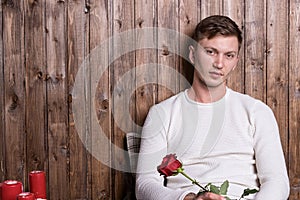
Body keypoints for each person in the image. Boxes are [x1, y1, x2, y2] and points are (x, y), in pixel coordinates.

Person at [135, 15, 290, 200]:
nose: (219, 63)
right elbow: (145, 184)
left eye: (229, 55)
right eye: (210, 52)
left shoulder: (257, 111)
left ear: (235, 62)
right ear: (193, 54)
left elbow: (277, 181)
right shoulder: (162, 114)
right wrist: (189, 198)